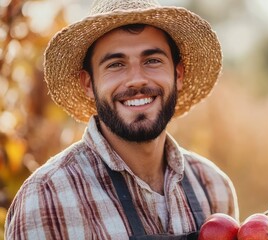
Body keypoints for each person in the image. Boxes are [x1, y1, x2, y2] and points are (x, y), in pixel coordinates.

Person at [5, 0, 239, 239]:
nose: (136, 80)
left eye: (152, 61)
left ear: (178, 74)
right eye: (116, 64)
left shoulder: (213, 187)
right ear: (88, 84)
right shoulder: (46, 199)